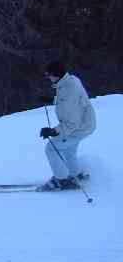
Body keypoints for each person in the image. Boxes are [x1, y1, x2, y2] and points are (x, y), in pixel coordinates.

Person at [37, 61, 97, 191]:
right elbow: (72, 102)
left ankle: (61, 180)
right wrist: (53, 100)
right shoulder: (70, 81)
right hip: (86, 123)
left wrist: (53, 131)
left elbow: (71, 123)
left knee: (51, 148)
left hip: (79, 127)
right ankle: (76, 174)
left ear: (56, 74)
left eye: (48, 74)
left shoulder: (68, 91)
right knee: (68, 149)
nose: (48, 77)